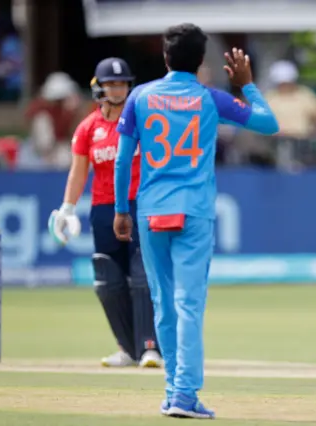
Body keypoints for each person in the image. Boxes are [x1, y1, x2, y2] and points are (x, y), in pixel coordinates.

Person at [113, 23, 279, 419]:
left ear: (165, 56)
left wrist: (121, 210)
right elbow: (269, 124)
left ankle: (174, 391)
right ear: (201, 60)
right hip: (194, 212)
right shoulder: (210, 98)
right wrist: (248, 85)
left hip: (151, 210)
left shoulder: (140, 96)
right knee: (188, 304)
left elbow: (123, 160)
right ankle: (184, 395)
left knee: (163, 304)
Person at [48, 57, 162, 369]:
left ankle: (150, 347)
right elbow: (78, 171)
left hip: (141, 205)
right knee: (109, 279)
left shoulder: (142, 121)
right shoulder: (88, 128)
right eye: (111, 83)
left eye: (122, 83)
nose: (117, 89)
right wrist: (67, 208)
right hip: (102, 209)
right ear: (99, 87)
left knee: (142, 275)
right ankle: (126, 348)